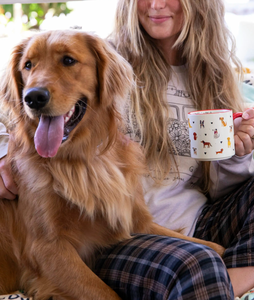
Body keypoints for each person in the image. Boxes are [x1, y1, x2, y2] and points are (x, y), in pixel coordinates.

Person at [0, 0, 254, 299]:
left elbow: (221, 185)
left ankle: (229, 280)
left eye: (67, 62)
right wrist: (4, 151)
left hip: (190, 219)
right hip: (122, 236)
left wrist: (239, 153)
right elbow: (10, 116)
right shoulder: (105, 52)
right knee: (197, 263)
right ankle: (211, 279)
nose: (157, 4)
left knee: (205, 259)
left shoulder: (215, 77)